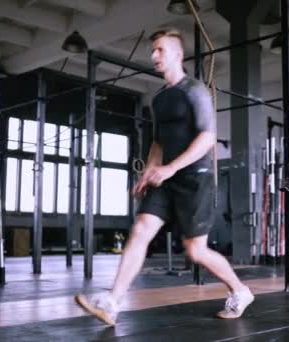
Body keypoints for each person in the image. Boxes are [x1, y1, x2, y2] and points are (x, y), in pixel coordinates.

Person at [75, 28, 254, 326]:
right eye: (153, 50)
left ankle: (240, 290)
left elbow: (208, 138)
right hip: (165, 179)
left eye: (160, 50)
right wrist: (148, 172)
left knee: (195, 250)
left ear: (178, 54)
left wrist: (171, 168)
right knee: (141, 229)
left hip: (195, 178)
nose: (154, 55)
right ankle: (112, 302)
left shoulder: (194, 90)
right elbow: (158, 142)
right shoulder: (159, 99)